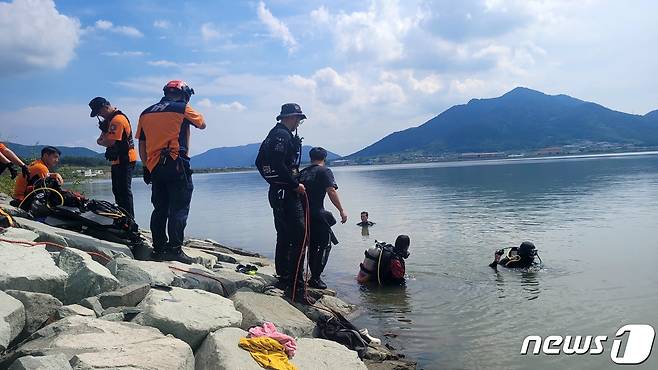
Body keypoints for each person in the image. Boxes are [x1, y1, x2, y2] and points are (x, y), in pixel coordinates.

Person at [136, 80, 206, 264]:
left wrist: (145, 166)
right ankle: (174, 249)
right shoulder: (182, 108)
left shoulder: (146, 112)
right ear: (184, 94)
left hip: (155, 166)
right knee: (179, 208)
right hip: (176, 163)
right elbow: (202, 123)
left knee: (160, 209)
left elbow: (141, 144)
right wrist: (185, 106)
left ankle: (158, 249)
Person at [255, 103, 314, 304]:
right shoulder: (282, 136)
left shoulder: (273, 135)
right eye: (298, 118)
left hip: (277, 191)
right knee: (300, 237)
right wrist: (293, 184)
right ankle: (296, 287)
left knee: (284, 235)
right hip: (286, 193)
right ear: (289, 117)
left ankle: (284, 277)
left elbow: (259, 162)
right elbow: (278, 163)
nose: (299, 122)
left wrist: (273, 182)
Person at [299, 147, 348, 289]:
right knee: (325, 245)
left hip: (302, 214)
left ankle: (308, 276)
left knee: (312, 245)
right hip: (317, 213)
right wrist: (341, 210)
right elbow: (331, 191)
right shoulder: (324, 171)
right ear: (324, 158)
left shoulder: (302, 173)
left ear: (310, 158)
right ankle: (315, 278)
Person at [89, 97, 138, 216]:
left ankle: (129, 220)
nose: (100, 116)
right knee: (117, 191)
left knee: (124, 191)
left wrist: (102, 140)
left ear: (105, 107)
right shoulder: (110, 121)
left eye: (100, 112)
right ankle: (121, 217)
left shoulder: (117, 120)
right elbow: (105, 140)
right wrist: (104, 137)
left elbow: (108, 142)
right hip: (117, 161)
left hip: (125, 159)